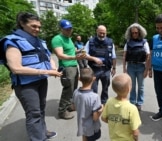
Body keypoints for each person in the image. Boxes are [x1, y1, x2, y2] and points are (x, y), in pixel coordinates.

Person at [0, 12, 62, 140]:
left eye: (39, 27)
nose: (37, 29)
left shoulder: (39, 41)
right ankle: (38, 138)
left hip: (41, 81)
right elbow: (16, 68)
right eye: (33, 26)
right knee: (33, 114)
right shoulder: (12, 41)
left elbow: (48, 57)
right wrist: (48, 72)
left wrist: (53, 68)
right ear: (22, 24)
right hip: (26, 85)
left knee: (41, 109)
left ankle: (43, 132)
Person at [51, 19, 85, 120]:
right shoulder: (57, 39)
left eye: (70, 28)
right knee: (68, 89)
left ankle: (69, 105)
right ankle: (62, 111)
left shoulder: (69, 39)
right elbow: (60, 55)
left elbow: (73, 51)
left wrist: (80, 51)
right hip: (67, 67)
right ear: (61, 29)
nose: (69, 31)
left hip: (74, 66)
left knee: (73, 89)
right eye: (66, 29)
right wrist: (75, 57)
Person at [101, 73, 141, 141]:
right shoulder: (132, 108)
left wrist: (114, 122)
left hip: (113, 138)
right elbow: (135, 132)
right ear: (129, 89)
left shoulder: (109, 101)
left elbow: (103, 118)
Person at [84, 25, 117, 104]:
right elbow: (84, 54)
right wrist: (94, 59)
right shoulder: (90, 42)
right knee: (93, 88)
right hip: (94, 69)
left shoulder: (110, 42)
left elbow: (113, 56)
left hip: (106, 69)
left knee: (105, 88)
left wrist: (114, 68)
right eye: (100, 33)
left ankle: (104, 102)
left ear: (106, 33)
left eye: (104, 33)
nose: (102, 35)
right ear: (97, 32)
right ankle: (94, 103)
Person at [122, 23, 150, 111]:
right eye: (133, 33)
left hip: (141, 66)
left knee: (141, 87)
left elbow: (148, 56)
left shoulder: (144, 42)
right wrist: (124, 68)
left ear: (139, 32)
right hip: (131, 66)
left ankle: (140, 103)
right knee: (132, 86)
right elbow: (124, 56)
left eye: (136, 32)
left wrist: (146, 69)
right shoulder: (128, 43)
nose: (134, 34)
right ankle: (132, 102)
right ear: (130, 33)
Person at [73, 67, 103, 141]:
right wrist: (101, 110)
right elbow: (95, 118)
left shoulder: (75, 92)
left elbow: (74, 107)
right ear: (94, 78)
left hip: (81, 125)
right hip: (92, 128)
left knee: (85, 137)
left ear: (79, 78)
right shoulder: (94, 97)